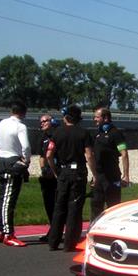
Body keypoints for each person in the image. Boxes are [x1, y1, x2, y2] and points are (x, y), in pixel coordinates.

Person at [46, 105, 96, 252]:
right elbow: (88, 155)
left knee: (59, 206)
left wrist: (56, 171)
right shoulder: (84, 133)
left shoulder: (57, 133)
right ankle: (69, 243)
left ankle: (53, 241)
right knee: (74, 208)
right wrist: (95, 173)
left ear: (66, 117)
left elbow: (49, 154)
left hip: (63, 171)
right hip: (78, 172)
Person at [0, 101, 31, 247]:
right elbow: (26, 146)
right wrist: (26, 160)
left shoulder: (2, 123)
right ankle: (8, 233)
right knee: (9, 199)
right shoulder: (20, 126)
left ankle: (1, 229)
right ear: (23, 113)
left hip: (1, 160)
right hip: (12, 161)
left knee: (2, 197)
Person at [90, 107, 130, 221]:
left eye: (97, 117)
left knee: (113, 207)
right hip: (98, 176)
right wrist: (93, 176)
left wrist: (126, 175)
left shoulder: (116, 133)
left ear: (106, 118)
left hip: (111, 177)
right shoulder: (98, 133)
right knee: (95, 206)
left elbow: (124, 154)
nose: (94, 119)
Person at [38, 113, 59, 242]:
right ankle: (53, 228)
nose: (42, 123)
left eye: (45, 121)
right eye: (41, 122)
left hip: (58, 173)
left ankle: (56, 230)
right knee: (49, 203)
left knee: (58, 204)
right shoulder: (43, 138)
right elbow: (41, 156)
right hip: (48, 175)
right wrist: (43, 170)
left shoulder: (58, 135)